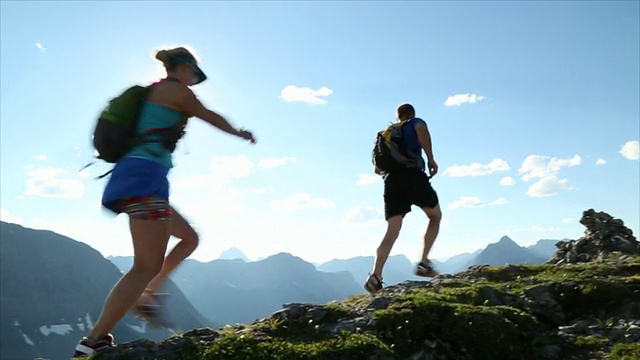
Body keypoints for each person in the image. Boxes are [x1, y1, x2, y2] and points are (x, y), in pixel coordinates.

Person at [73, 46, 256, 357]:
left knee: (189, 238)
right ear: (182, 69)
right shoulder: (174, 90)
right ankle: (92, 341)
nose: (195, 80)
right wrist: (238, 132)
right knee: (144, 266)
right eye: (194, 73)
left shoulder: (160, 93)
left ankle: (148, 293)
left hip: (145, 177)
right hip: (143, 176)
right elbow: (208, 115)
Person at [364, 103, 442, 294]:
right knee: (435, 216)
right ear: (411, 114)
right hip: (412, 175)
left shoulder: (385, 134)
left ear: (397, 116)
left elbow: (377, 168)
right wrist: (430, 158)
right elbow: (421, 129)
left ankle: (375, 276)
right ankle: (424, 263)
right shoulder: (414, 123)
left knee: (392, 230)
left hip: (391, 181)